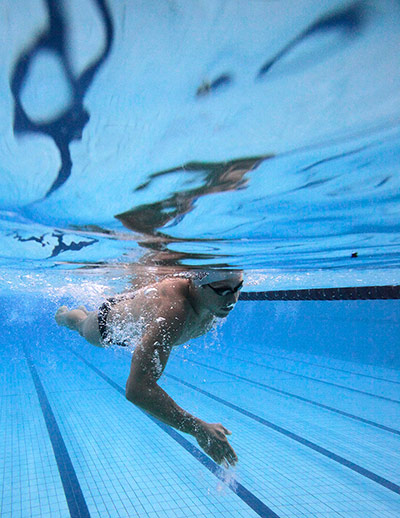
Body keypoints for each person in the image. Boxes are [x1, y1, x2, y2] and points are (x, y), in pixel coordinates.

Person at [55, 270, 243, 467]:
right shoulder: (174, 311)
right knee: (81, 324)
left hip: (140, 316)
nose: (232, 299)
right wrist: (198, 428)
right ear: (196, 285)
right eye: (222, 291)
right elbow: (137, 390)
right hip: (108, 325)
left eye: (238, 288)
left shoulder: (214, 303)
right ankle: (66, 315)